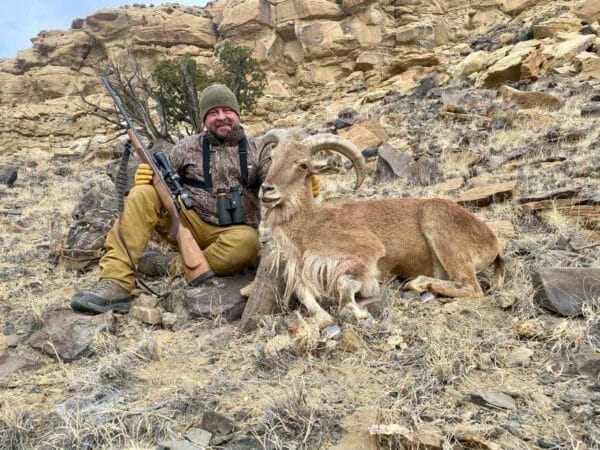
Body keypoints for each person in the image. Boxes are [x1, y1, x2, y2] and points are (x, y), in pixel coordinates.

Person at [71, 84, 319, 314]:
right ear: (204, 119)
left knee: (248, 244)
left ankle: (169, 265)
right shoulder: (185, 146)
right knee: (142, 194)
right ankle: (115, 282)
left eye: (227, 110)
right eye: (213, 112)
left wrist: (301, 182)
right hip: (186, 220)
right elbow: (163, 183)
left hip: (232, 233)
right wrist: (143, 177)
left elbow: (274, 182)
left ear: (238, 115)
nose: (221, 116)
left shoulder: (259, 149)